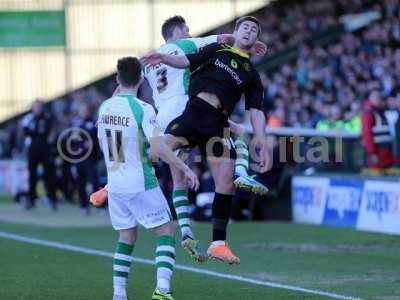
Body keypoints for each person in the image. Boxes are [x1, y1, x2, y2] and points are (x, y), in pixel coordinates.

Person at [91, 15, 268, 262]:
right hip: (188, 108)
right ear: (179, 31)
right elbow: (219, 40)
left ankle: (197, 234)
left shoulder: (251, 73)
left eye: (253, 30)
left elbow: (126, 84)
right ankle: (241, 172)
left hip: (171, 112)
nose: (189, 32)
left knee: (175, 170)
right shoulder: (194, 45)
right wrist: (242, 39)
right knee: (236, 134)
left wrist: (110, 107)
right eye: (187, 29)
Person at [97, 57, 199, 300]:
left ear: (117, 79)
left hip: (115, 184)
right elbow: (159, 149)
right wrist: (184, 168)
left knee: (127, 236)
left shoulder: (105, 107)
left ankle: (119, 294)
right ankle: (163, 289)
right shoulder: (143, 108)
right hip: (140, 181)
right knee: (166, 230)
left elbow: (103, 140)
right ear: (142, 79)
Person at [21, 99, 58, 210]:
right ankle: (31, 200)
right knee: (32, 175)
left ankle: (52, 199)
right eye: (36, 106)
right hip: (33, 149)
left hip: (45, 148)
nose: (38, 108)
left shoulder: (47, 117)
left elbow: (52, 130)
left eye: (39, 106)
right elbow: (24, 132)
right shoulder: (28, 118)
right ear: (33, 107)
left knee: (49, 174)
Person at [361, 89, 396, 168]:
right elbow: (367, 134)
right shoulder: (368, 112)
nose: (377, 98)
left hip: (386, 151)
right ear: (369, 98)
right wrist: (372, 152)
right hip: (378, 152)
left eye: (378, 96)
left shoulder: (380, 111)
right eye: (374, 96)